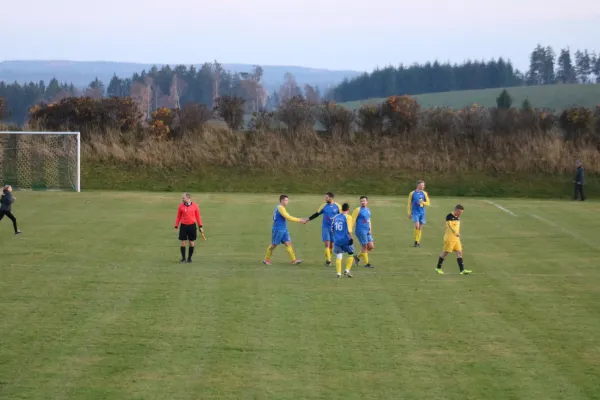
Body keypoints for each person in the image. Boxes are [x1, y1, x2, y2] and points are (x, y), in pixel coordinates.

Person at [263, 194, 308, 265]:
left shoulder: (281, 208)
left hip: (284, 229)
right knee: (274, 245)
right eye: (286, 200)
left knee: (288, 243)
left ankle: (294, 260)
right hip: (278, 229)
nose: (287, 202)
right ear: (282, 201)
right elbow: (288, 217)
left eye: (287, 200)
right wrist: (300, 220)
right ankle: (266, 259)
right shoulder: (280, 208)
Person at [435, 204, 471, 275]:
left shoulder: (457, 217)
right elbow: (450, 226)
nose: (460, 214)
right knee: (445, 253)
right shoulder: (449, 216)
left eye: (461, 213)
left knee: (459, 252)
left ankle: (462, 270)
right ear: (456, 210)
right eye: (459, 212)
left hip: (456, 239)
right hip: (449, 238)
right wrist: (455, 233)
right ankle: (438, 268)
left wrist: (457, 235)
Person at [307, 192, 341, 266]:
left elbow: (342, 216)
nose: (324, 199)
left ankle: (328, 258)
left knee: (332, 245)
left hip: (334, 228)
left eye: (326, 197)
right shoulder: (324, 206)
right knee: (327, 244)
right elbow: (317, 214)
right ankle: (328, 261)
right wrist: (308, 219)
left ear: (331, 198)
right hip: (325, 227)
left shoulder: (338, 206)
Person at [174, 192, 203, 263]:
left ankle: (189, 258)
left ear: (188, 198)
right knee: (183, 242)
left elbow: (198, 216)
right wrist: (176, 226)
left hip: (192, 226)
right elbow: (178, 217)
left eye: (183, 198)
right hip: (183, 226)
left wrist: (200, 226)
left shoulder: (195, 206)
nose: (182, 199)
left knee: (191, 243)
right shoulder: (181, 206)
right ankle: (183, 259)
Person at [331, 203, 355, 278]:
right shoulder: (348, 217)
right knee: (351, 254)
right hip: (346, 239)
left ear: (341, 209)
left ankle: (338, 273)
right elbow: (349, 230)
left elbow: (332, 228)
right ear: (348, 209)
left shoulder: (336, 216)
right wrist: (351, 238)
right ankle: (347, 270)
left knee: (339, 256)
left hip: (337, 240)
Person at [352, 196, 374, 268]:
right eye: (361, 201)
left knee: (371, 246)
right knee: (364, 246)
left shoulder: (368, 209)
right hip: (360, 230)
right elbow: (352, 220)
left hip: (367, 230)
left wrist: (370, 229)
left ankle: (357, 257)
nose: (362, 202)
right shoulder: (357, 210)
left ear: (367, 202)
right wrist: (349, 230)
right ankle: (366, 264)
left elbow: (368, 219)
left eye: (364, 201)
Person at [407, 180, 430, 247]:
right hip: (415, 212)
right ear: (418, 185)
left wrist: (423, 202)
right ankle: (416, 241)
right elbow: (409, 203)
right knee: (417, 226)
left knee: (420, 228)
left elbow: (428, 203)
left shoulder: (424, 193)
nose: (423, 186)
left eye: (424, 185)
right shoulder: (412, 193)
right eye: (422, 185)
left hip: (422, 213)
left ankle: (417, 242)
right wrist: (409, 212)